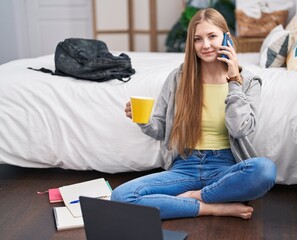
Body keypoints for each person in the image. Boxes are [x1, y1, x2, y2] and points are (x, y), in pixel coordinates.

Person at [111, 8, 276, 220]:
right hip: (185, 165)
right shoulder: (179, 77)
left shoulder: (249, 82)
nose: (205, 45)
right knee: (121, 196)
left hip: (225, 167)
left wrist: (234, 80)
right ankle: (211, 206)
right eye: (198, 39)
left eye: (212, 36)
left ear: (227, 38)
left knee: (265, 170)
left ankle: (194, 197)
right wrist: (142, 120)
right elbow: (160, 129)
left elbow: (240, 128)